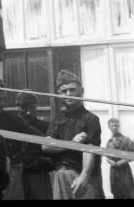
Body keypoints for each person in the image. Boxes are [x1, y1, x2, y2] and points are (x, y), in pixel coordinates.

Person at [42, 69, 104, 200]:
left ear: (81, 91)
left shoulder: (90, 119)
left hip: (82, 176)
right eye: (64, 91)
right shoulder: (58, 119)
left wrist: (84, 176)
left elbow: (90, 150)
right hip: (60, 175)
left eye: (72, 90)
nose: (68, 94)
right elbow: (46, 146)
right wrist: (72, 144)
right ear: (59, 95)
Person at [0, 78, 44, 201]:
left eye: (4, 99)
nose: (2, 103)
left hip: (10, 176)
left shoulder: (12, 119)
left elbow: (39, 139)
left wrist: (21, 160)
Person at [14, 89, 54, 200]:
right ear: (17, 107)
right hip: (17, 177)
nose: (28, 112)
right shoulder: (11, 126)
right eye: (23, 107)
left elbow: (52, 153)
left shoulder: (46, 127)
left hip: (38, 176)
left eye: (32, 108)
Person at [106, 117, 134, 199]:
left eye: (116, 126)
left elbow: (132, 155)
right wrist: (110, 162)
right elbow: (107, 157)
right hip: (114, 170)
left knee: (129, 192)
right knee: (116, 193)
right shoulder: (109, 142)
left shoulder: (127, 140)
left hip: (124, 170)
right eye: (112, 126)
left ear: (119, 126)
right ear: (109, 127)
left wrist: (121, 162)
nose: (114, 128)